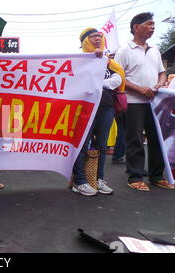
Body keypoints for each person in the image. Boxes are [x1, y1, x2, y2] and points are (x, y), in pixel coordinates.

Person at [114, 12, 172, 191]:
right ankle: (135, 177)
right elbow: (118, 77)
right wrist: (139, 89)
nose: (153, 28)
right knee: (136, 139)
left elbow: (162, 72)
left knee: (157, 139)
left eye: (154, 25)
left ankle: (156, 176)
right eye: (149, 24)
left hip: (155, 102)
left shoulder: (155, 50)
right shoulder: (124, 50)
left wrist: (160, 83)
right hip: (133, 102)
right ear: (136, 27)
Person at [71, 28, 125, 196]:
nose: (97, 38)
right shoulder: (79, 61)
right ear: (85, 41)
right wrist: (101, 82)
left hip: (106, 106)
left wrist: (100, 83)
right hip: (85, 107)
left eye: (99, 36)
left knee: (101, 144)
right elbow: (78, 81)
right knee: (81, 143)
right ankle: (79, 181)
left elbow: (118, 79)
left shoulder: (109, 61)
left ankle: (98, 179)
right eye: (93, 36)